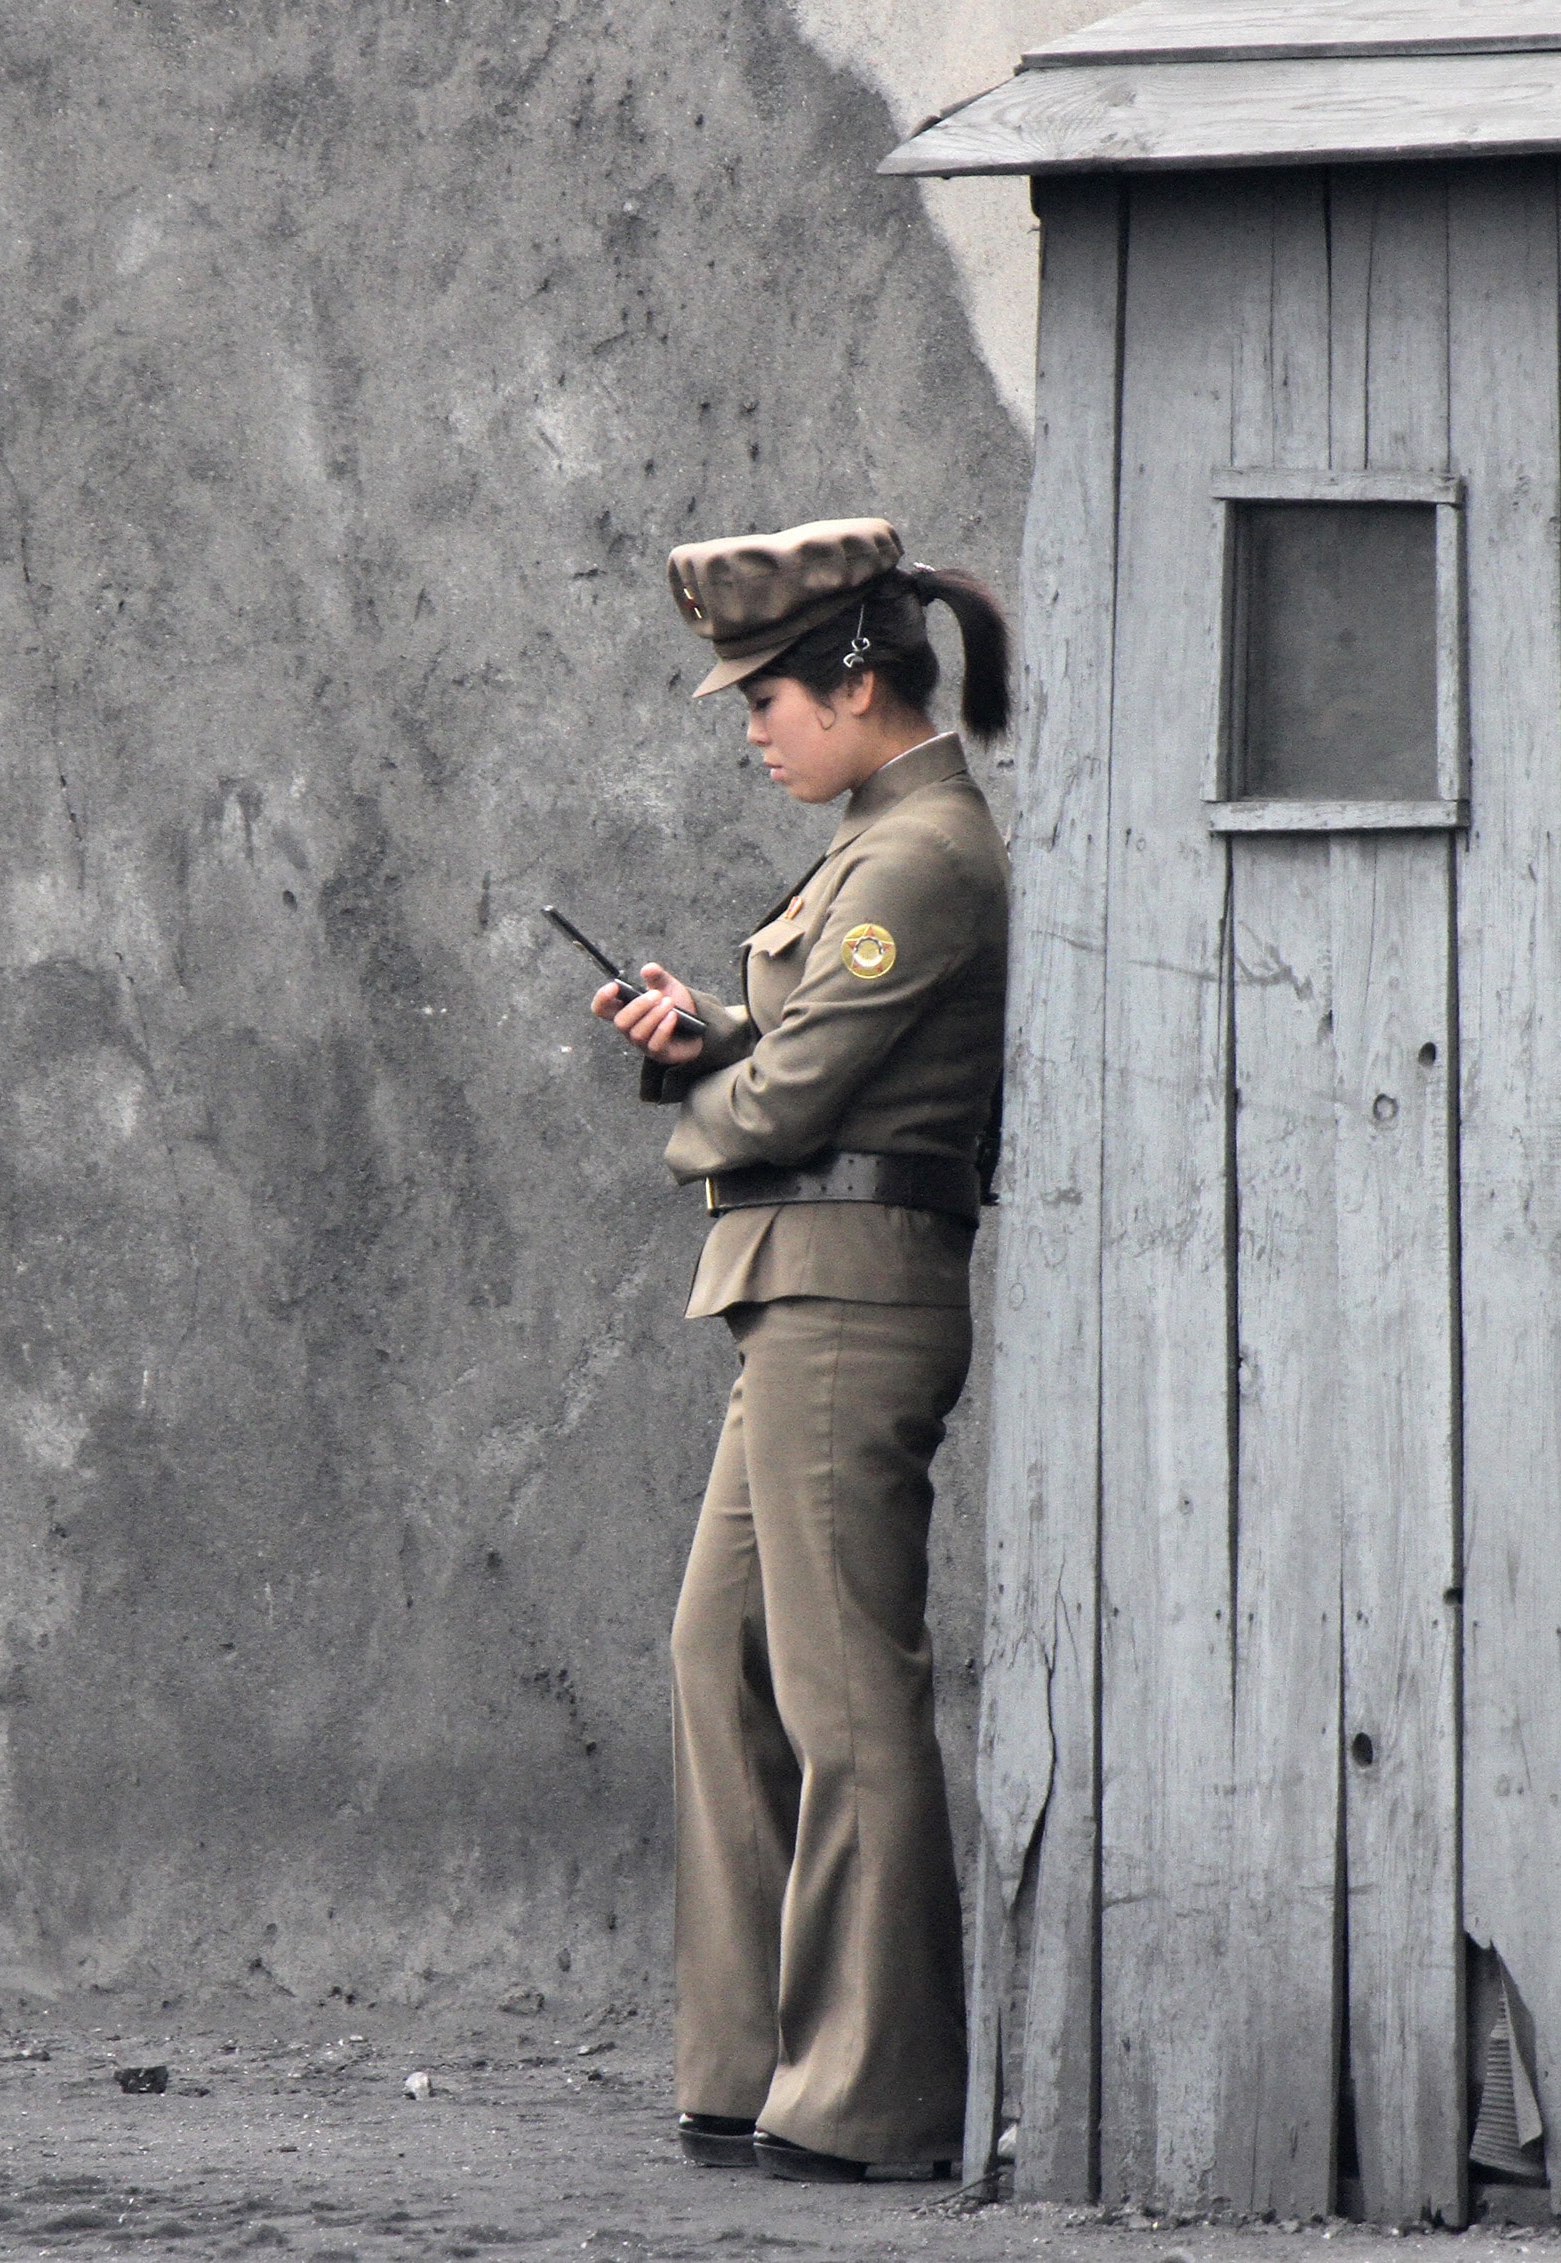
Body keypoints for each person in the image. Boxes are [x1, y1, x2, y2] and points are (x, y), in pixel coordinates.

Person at [592, 517, 1012, 2185]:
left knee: (845, 1694)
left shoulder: (919, 855)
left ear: (857, 677)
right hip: (798, 1294)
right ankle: (753, 2064)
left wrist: (707, 1088)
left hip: (853, 1300)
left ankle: (873, 2099)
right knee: (721, 1656)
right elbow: (783, 1054)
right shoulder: (868, 844)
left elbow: (784, 1103)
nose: (753, 726)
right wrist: (707, 1038)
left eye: (766, 692)